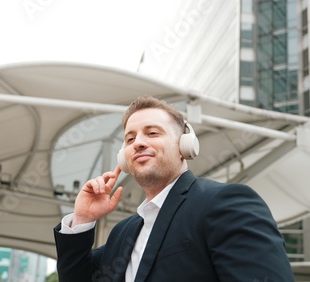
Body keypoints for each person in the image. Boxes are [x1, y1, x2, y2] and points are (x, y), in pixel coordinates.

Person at [53, 96, 294, 281]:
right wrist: (82, 219)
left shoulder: (225, 203)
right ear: (123, 158)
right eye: (130, 139)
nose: (138, 143)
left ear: (184, 145)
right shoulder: (122, 233)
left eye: (152, 133)